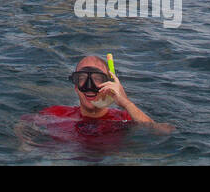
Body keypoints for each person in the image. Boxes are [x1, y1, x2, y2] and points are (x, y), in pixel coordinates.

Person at [32, 56, 170, 137]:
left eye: (98, 79)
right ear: (75, 86)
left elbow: (164, 132)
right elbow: (23, 126)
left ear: (110, 86)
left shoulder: (125, 119)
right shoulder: (56, 114)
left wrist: (127, 103)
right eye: (82, 78)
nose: (89, 86)